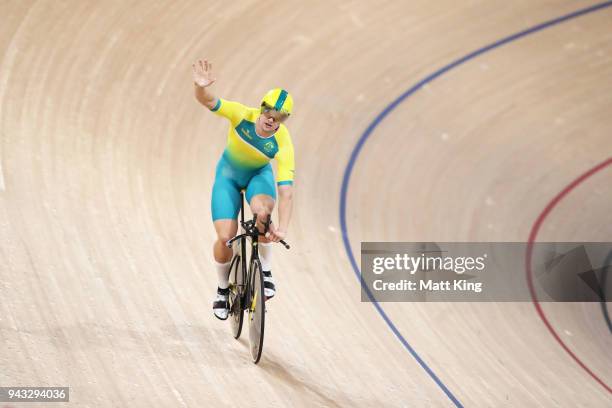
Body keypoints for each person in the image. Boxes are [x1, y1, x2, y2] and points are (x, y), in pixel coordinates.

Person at [192, 59, 295, 320]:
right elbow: (207, 101)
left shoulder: (282, 141)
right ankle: (222, 289)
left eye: (279, 118)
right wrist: (200, 87)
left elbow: (286, 191)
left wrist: (282, 228)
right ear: (261, 109)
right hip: (227, 178)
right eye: (270, 113)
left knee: (262, 214)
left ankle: (266, 270)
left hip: (258, 178)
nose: (272, 121)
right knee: (226, 236)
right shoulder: (241, 114)